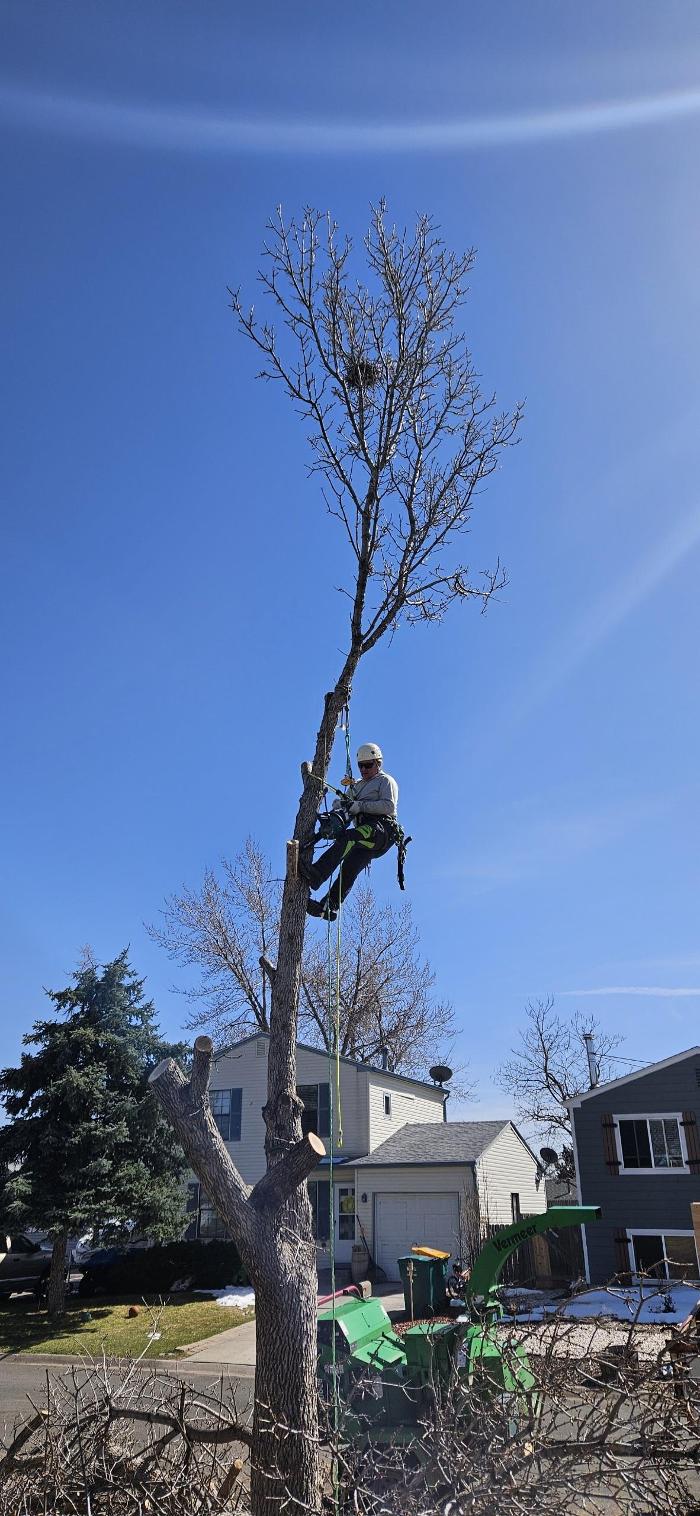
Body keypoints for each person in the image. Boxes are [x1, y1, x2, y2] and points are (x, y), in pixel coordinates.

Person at [300, 743, 398, 921]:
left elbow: (388, 805)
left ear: (378, 763)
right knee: (350, 866)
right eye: (361, 765)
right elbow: (342, 803)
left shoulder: (385, 781)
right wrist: (341, 805)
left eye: (368, 765)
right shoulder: (356, 787)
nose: (364, 769)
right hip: (364, 832)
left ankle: (318, 874)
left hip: (381, 829)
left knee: (349, 838)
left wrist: (360, 806)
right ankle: (327, 907)